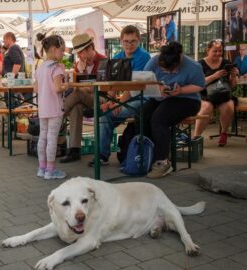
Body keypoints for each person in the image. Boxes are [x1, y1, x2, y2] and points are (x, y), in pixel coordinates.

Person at [88, 25, 151, 167]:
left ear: (139, 41)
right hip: (130, 98)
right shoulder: (117, 57)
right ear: (121, 41)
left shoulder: (143, 56)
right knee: (104, 114)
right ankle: (102, 155)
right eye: (126, 41)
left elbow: (133, 86)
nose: (129, 44)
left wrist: (118, 103)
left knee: (107, 114)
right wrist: (111, 102)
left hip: (143, 99)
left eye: (133, 41)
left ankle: (103, 155)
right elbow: (112, 84)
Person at [142, 41, 205, 178]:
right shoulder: (154, 61)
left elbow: (200, 86)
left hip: (188, 100)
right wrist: (158, 89)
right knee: (143, 115)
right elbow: (144, 81)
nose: (168, 73)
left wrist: (181, 90)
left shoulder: (193, 66)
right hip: (161, 98)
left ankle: (162, 162)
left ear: (180, 60)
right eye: (165, 69)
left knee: (159, 119)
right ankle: (145, 156)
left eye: (172, 70)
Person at [60, 33, 107, 163]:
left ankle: (59, 113)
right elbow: (77, 87)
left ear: (90, 48)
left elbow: (96, 88)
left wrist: (81, 74)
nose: (80, 56)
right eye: (79, 53)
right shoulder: (79, 64)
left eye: (81, 52)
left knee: (78, 94)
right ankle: (74, 150)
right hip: (84, 100)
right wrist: (79, 73)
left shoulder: (103, 61)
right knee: (76, 108)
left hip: (102, 99)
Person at [34, 34, 69, 180]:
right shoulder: (57, 67)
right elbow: (57, 88)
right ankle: (50, 170)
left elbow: (35, 89)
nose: (63, 54)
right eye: (62, 50)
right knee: (52, 137)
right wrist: (66, 85)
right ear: (54, 49)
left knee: (43, 137)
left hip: (43, 108)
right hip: (55, 108)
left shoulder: (40, 68)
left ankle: (41, 168)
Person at [193, 40, 238, 146]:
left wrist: (233, 76)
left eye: (220, 51)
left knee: (228, 107)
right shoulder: (199, 65)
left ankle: (224, 133)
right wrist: (215, 76)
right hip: (205, 95)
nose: (218, 53)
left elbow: (232, 85)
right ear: (208, 50)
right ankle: (196, 137)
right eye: (215, 51)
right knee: (206, 108)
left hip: (223, 94)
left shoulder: (226, 63)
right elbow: (197, 84)